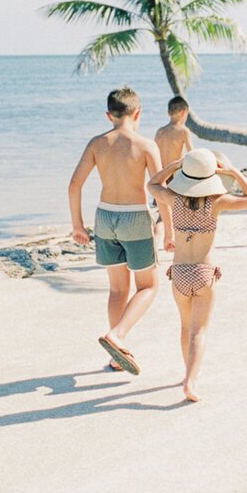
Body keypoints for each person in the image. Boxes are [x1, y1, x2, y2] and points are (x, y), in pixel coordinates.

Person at [68, 86, 174, 375]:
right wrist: (169, 231)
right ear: (137, 113)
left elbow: (74, 185)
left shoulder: (96, 143)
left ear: (108, 115)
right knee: (149, 286)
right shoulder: (145, 145)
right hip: (134, 218)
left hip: (105, 217)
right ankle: (117, 336)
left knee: (117, 289)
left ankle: (117, 356)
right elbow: (160, 191)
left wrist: (77, 225)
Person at [148, 147, 247, 402]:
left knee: (186, 326)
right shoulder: (217, 202)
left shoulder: (174, 200)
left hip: (178, 274)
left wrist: (175, 165)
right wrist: (232, 171)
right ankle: (190, 382)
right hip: (203, 273)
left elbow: (152, 183)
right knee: (199, 331)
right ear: (212, 176)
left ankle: (187, 372)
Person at [153, 95, 195, 243]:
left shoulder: (160, 132)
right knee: (182, 212)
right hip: (177, 177)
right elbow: (192, 154)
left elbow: (154, 155)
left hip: (161, 176)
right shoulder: (183, 131)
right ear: (184, 112)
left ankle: (155, 242)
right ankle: (182, 244)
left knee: (162, 214)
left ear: (168, 112)